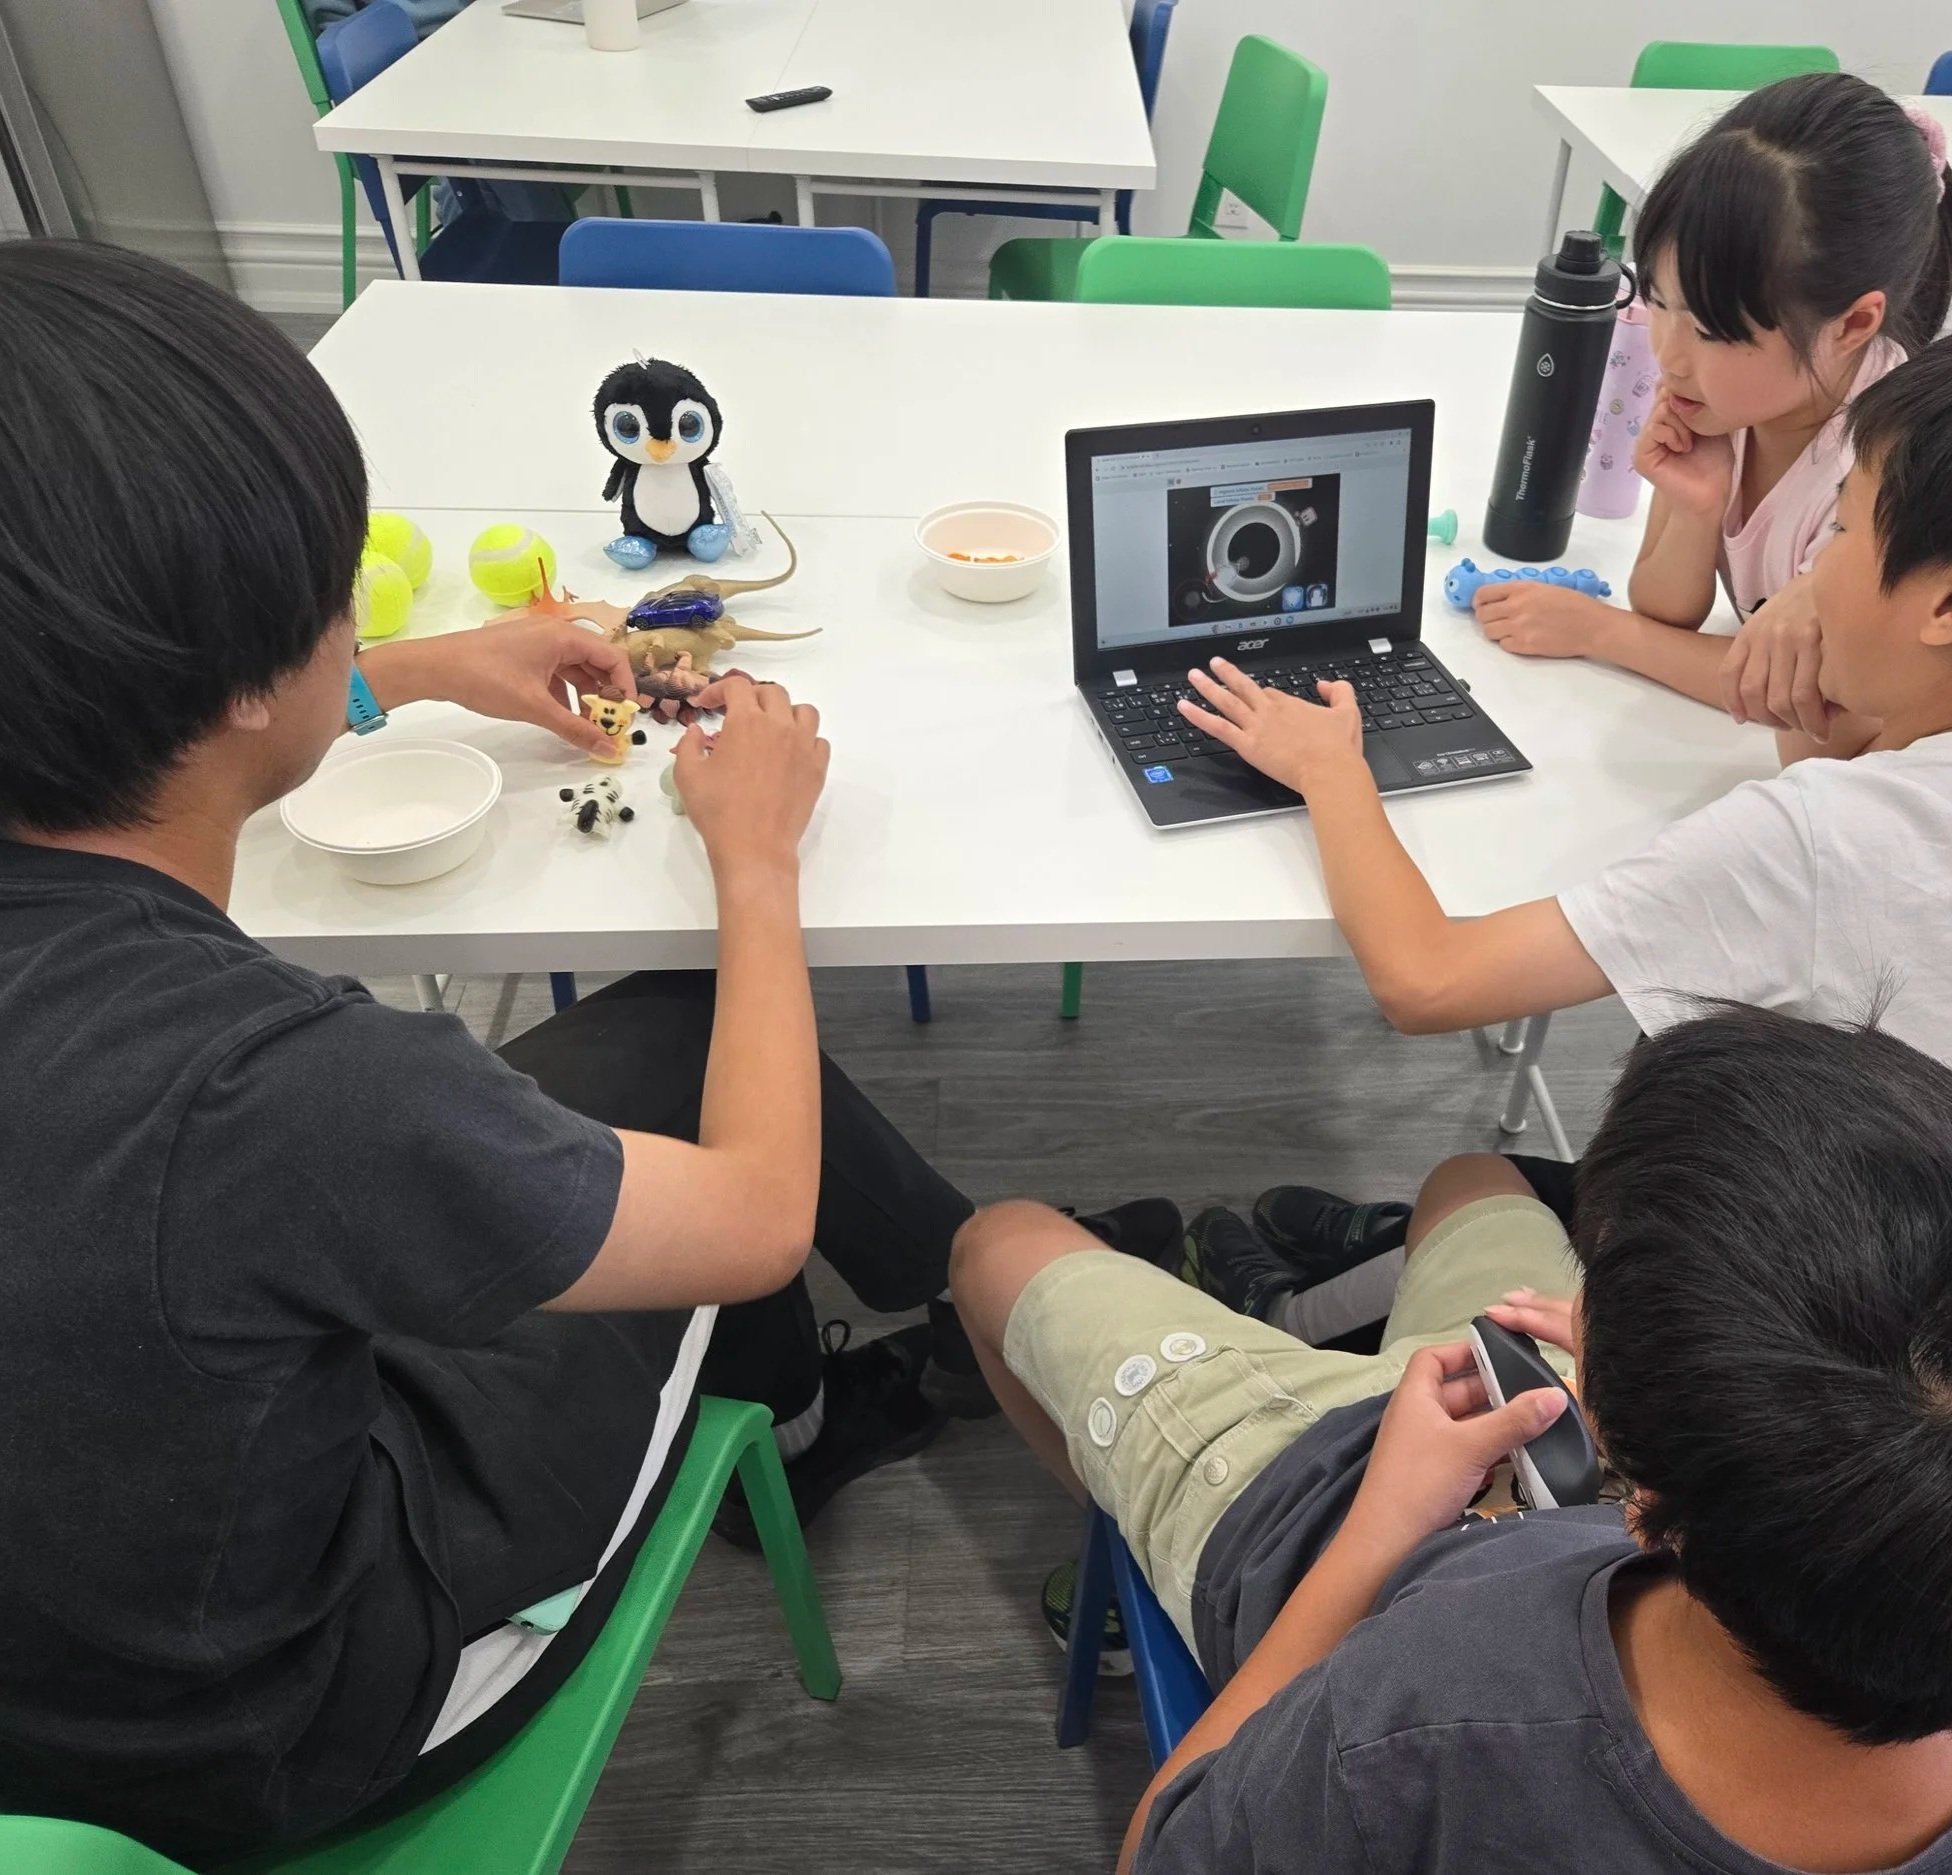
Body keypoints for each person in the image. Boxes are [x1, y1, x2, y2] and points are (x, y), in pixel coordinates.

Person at [0, 239, 1169, 1857]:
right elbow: (756, 1211)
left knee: (681, 1029)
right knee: (719, 1111)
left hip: (75, 1669)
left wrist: (405, 673)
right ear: (243, 674)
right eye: (335, 603)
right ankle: (919, 1342)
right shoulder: (279, 1085)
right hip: (315, 1712)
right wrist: (755, 860)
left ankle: (946, 1286)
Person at [1168, 305, 1952, 1336]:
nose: (1807, 576)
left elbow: (1427, 982)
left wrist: (1331, 772)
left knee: (1467, 1180)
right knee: (1516, 1186)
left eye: (1840, 530)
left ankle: (1298, 1313)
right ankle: (1388, 1259)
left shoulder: (1829, 840)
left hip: (1849, 1378)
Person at [955, 1005, 1952, 1874]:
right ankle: (1298, 1292)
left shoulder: (1437, 1703)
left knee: (1000, 1246)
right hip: (1591, 1479)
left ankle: (1131, 1564)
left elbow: (1168, 1852)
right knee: (1476, 1184)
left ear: (1640, 1493)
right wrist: (1690, 1386)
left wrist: (1382, 1528)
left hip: (1330, 1517)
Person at [1473, 72, 1952, 741]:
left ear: (1851, 325)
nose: (1670, 354)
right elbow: (1664, 607)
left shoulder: (1879, 473)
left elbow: (1807, 698)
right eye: (1660, 302)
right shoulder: (1731, 397)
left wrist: (1595, 628)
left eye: (1711, 330)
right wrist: (1698, 508)